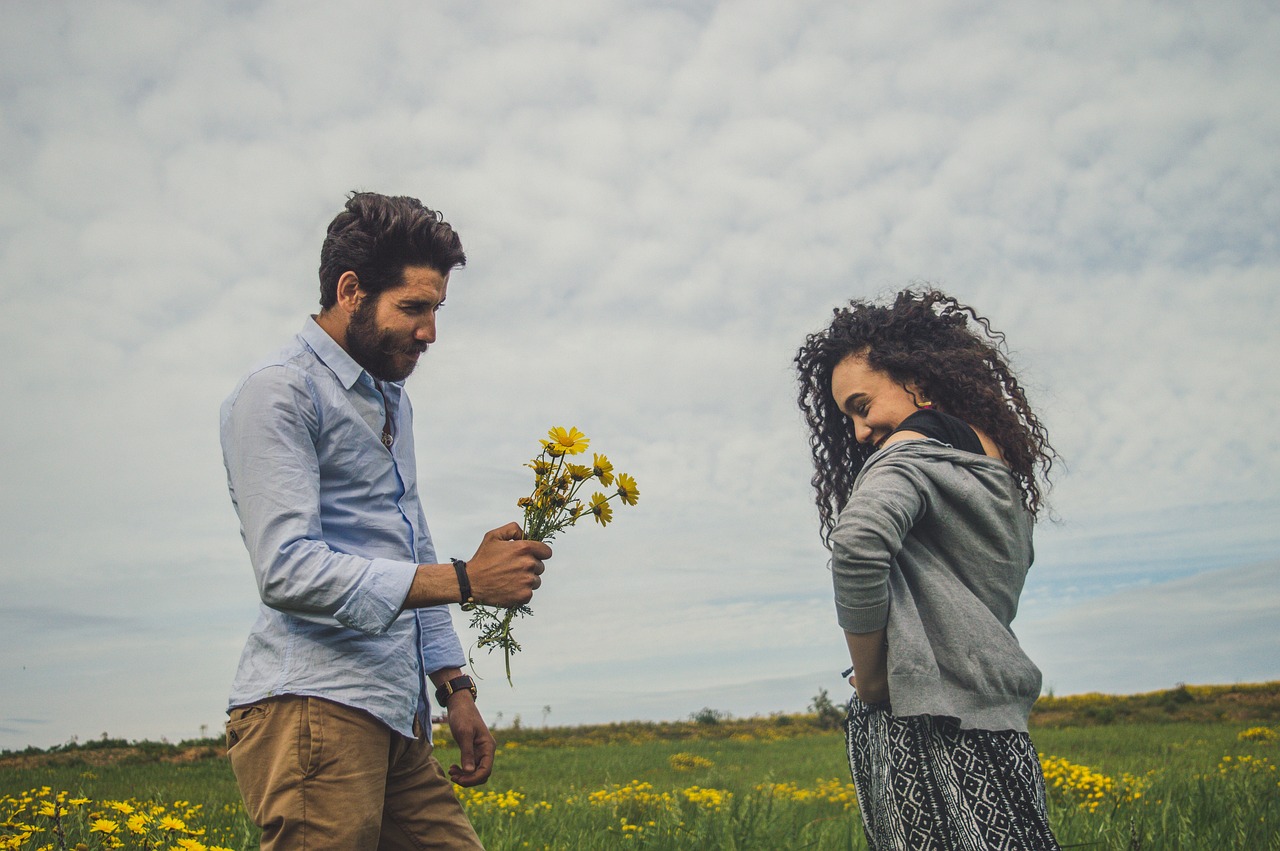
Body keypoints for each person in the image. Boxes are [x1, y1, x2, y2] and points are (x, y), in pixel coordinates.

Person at [220, 191, 552, 850]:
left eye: (436, 309)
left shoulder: (389, 399)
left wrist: (453, 686)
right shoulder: (280, 394)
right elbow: (288, 571)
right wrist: (465, 579)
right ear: (351, 291)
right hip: (314, 705)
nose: (430, 331)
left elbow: (410, 541)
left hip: (396, 712)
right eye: (414, 307)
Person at [794, 289, 1060, 850]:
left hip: (923, 720)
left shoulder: (911, 450)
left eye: (862, 407)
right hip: (995, 718)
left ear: (917, 380)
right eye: (849, 419)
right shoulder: (994, 469)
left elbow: (859, 541)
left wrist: (870, 680)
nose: (861, 433)